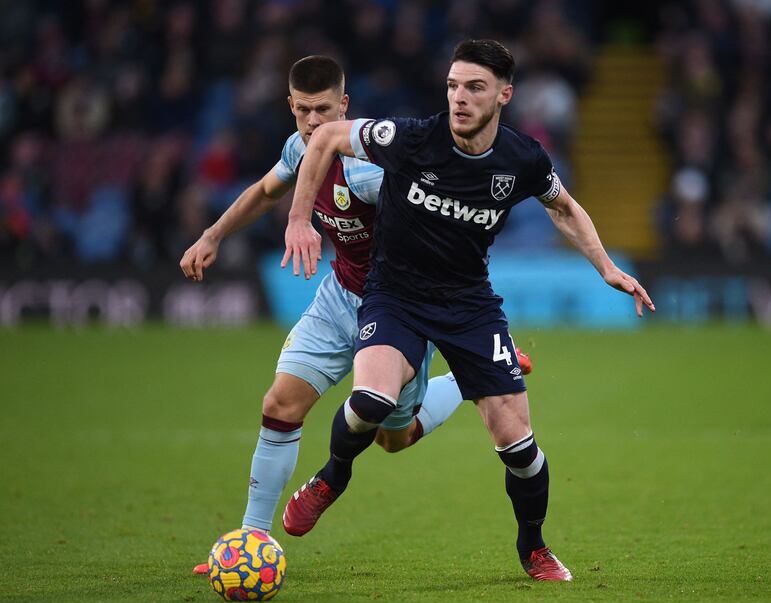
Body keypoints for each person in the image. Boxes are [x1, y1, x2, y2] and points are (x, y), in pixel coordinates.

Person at [281, 40, 655, 582]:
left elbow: (564, 207)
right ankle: (331, 477)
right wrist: (297, 217)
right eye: (453, 86)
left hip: (469, 305)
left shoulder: (522, 158)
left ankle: (534, 548)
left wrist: (606, 268)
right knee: (372, 400)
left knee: (519, 446)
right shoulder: (410, 138)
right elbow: (326, 140)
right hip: (395, 295)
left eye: (474, 88)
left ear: (504, 94)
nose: (459, 98)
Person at [179, 55, 532, 573]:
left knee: (394, 437)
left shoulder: (369, 170)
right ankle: (249, 542)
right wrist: (213, 234)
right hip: (339, 296)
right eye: (302, 111)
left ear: (344, 105)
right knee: (280, 403)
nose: (313, 123)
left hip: (397, 309)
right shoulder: (299, 148)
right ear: (291, 107)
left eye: (323, 110)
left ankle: (467, 379)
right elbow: (264, 190)